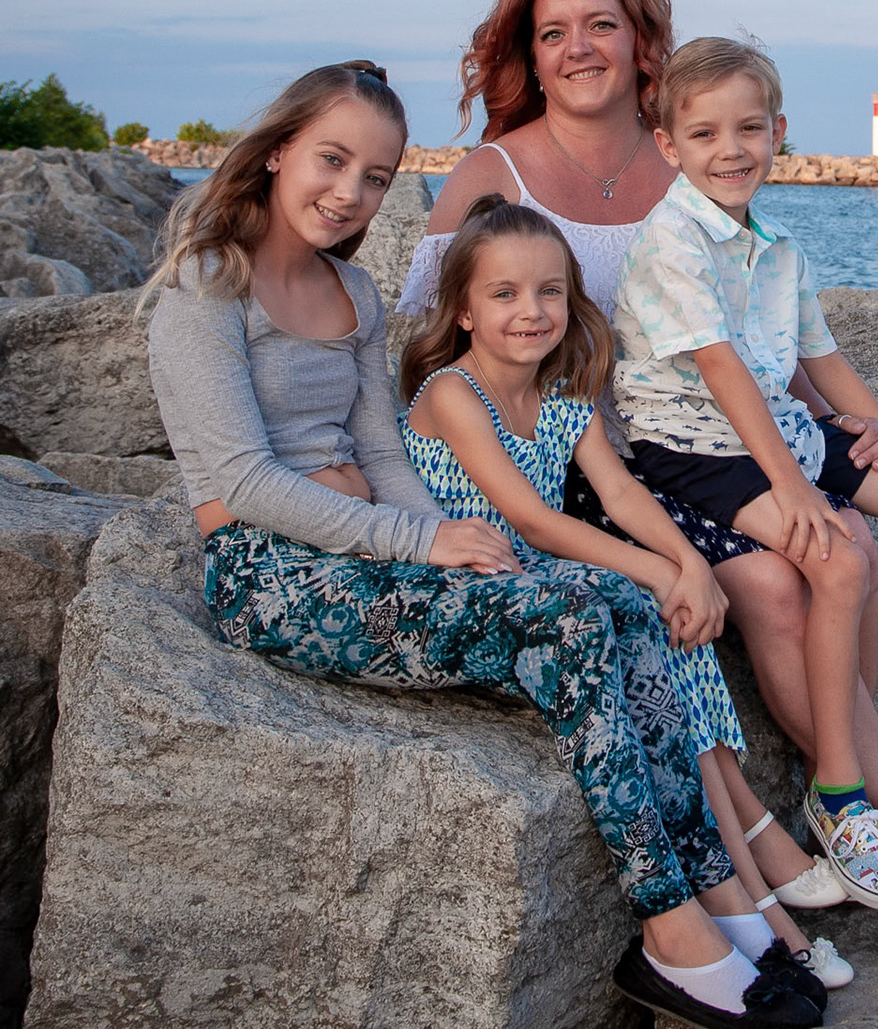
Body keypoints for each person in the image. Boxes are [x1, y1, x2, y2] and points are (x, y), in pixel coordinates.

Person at [143, 61, 822, 1029]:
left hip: (371, 552)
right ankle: (670, 934)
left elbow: (382, 453)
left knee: (624, 603)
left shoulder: (351, 292)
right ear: (280, 150)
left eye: (376, 177)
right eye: (332, 160)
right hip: (269, 572)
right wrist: (418, 539)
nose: (350, 192)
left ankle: (724, 897)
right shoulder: (209, 288)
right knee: (570, 625)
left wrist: (451, 542)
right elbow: (247, 482)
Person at [609, 36, 878, 950]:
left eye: (749, 128)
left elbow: (822, 359)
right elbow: (720, 372)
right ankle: (840, 790)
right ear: (668, 143)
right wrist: (795, 485)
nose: (731, 149)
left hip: (772, 426)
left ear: (779, 131)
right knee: (838, 558)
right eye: (705, 133)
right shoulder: (671, 241)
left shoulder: (778, 247)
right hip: (695, 447)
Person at [397, 194, 852, 990]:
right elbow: (533, 521)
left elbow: (622, 492)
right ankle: (759, 892)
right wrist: (660, 572)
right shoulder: (452, 393)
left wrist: (686, 564)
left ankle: (749, 876)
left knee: (674, 626)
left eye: (550, 291)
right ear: (464, 312)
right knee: (648, 606)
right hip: (480, 582)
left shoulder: (563, 393)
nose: (532, 311)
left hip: (545, 574)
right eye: (504, 294)